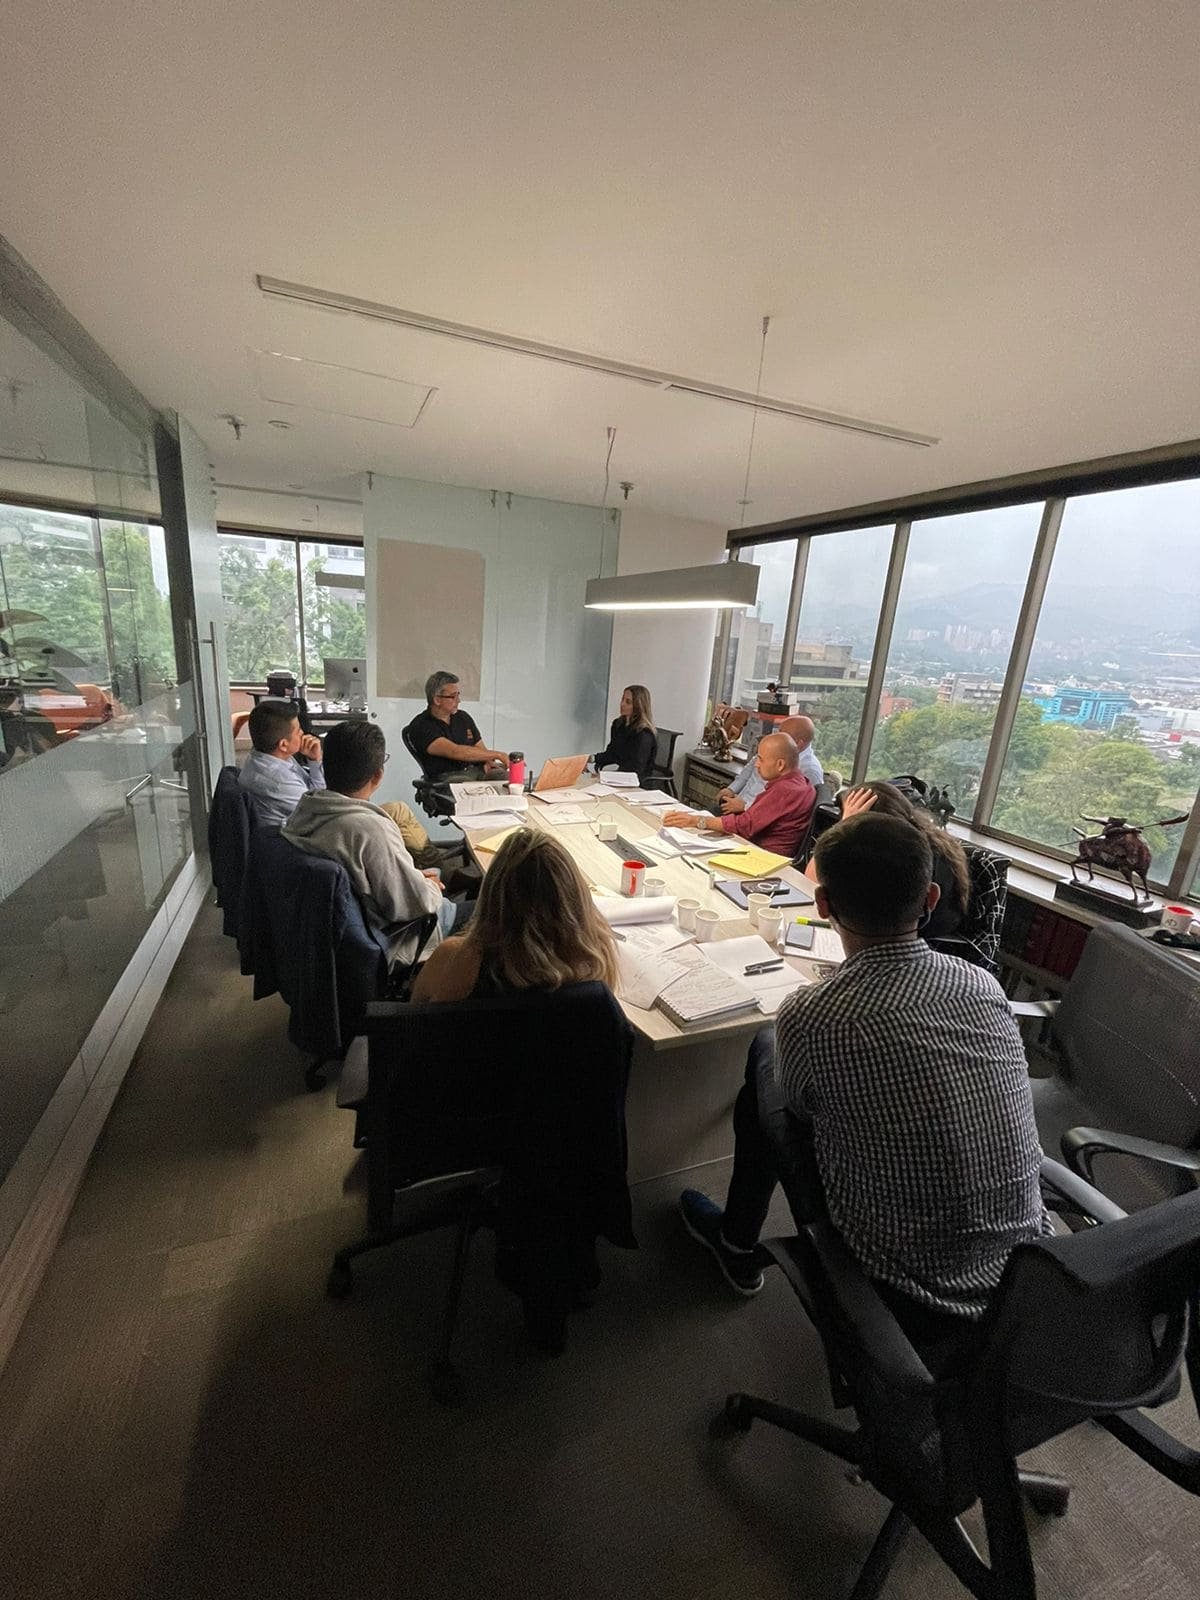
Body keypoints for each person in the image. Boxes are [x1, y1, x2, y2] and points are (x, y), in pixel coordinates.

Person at [679, 813, 1049, 1343]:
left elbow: (799, 1110)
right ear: (930, 898)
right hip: (1029, 1275)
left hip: (908, 1289)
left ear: (822, 904)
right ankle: (735, 1241)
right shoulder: (982, 985)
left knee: (763, 1061)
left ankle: (736, 1243)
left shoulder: (811, 1013)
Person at [282, 719, 469, 967]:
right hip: (403, 936)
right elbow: (417, 904)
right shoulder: (369, 831)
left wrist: (414, 878)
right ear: (378, 775)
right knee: (498, 911)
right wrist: (430, 886)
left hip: (345, 933)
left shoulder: (305, 809)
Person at [412, 829, 618, 1002]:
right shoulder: (596, 964)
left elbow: (415, 1019)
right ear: (576, 900)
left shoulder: (454, 958)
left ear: (492, 893)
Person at [805, 780, 969, 942]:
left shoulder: (894, 856)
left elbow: (811, 881)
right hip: (926, 936)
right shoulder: (922, 839)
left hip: (911, 938)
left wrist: (846, 824)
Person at [663, 732, 815, 858]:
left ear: (780, 764)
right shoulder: (801, 781)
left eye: (761, 759)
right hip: (757, 847)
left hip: (763, 856)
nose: (757, 765)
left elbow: (743, 825)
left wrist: (696, 820)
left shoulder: (785, 790)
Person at [404, 671, 507, 781]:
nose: (458, 701)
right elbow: (455, 751)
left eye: (458, 695)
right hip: (448, 777)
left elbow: (480, 747)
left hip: (476, 770)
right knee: (471, 785)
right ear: (437, 700)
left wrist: (488, 761)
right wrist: (498, 755)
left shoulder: (463, 717)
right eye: (453, 697)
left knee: (506, 776)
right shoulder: (421, 726)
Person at [238, 699, 325, 827]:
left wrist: (313, 760)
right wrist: (316, 761)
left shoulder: (267, 753)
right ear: (283, 745)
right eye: (298, 730)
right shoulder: (279, 781)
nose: (303, 733)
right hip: (288, 834)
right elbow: (321, 810)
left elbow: (315, 795)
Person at [717, 715, 822, 814]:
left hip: (755, 815)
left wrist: (745, 807)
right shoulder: (776, 746)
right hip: (738, 802)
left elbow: (792, 809)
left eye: (782, 734)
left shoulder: (809, 769)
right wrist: (731, 789)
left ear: (798, 743)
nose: (776, 736)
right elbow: (750, 768)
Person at [593, 685, 657, 783]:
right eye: (622, 699)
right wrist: (591, 759)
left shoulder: (644, 734)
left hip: (635, 783)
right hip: (619, 777)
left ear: (638, 706)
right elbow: (612, 753)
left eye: (628, 702)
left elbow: (635, 769)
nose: (622, 704)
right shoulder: (618, 724)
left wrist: (607, 776)